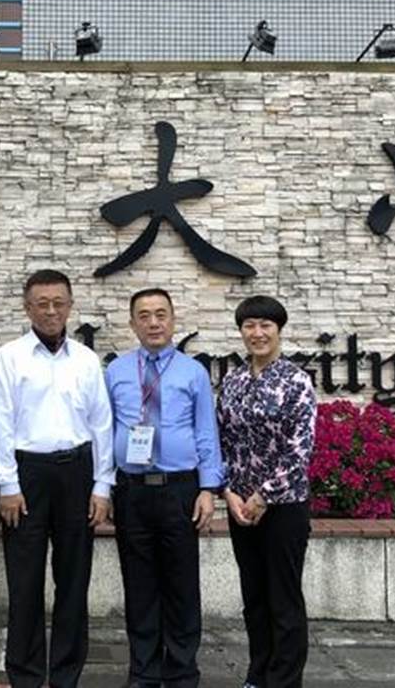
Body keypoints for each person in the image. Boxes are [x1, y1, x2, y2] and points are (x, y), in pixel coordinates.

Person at [0, 269, 114, 688]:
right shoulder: (10, 357)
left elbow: (101, 424)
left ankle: (65, 675)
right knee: (24, 582)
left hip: (77, 473)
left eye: (59, 302)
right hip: (26, 476)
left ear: (70, 305)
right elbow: (0, 422)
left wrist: (102, 485)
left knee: (74, 580)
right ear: (28, 308)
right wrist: (7, 484)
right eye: (42, 303)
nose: (51, 310)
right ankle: (25, 676)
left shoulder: (86, 359)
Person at [105, 288, 223, 688]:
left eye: (160, 314)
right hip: (132, 490)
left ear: (173, 320)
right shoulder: (116, 371)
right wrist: (104, 486)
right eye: (144, 315)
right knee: (138, 585)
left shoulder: (193, 372)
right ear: (132, 323)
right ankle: (143, 671)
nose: (153, 323)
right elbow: (105, 431)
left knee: (181, 584)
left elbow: (206, 431)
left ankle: (182, 671)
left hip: (180, 489)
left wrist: (208, 488)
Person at [216, 295, 317, 688]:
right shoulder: (233, 381)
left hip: (283, 506)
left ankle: (284, 680)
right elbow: (223, 440)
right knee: (254, 597)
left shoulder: (296, 380)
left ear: (278, 330)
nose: (257, 333)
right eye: (249, 326)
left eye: (265, 326)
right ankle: (258, 674)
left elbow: (300, 448)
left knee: (283, 598)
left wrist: (264, 495)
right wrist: (229, 492)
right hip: (241, 508)